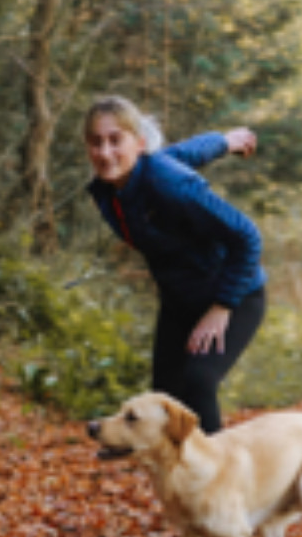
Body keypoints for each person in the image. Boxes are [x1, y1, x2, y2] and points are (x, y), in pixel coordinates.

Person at [83, 94, 265, 438]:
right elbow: (190, 151)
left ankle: (216, 482)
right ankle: (176, 487)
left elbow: (247, 236)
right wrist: (226, 141)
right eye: (96, 142)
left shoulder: (169, 184)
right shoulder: (111, 188)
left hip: (234, 294)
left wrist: (222, 306)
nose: (105, 153)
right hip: (180, 299)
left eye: (114, 140)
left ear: (138, 143)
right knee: (162, 397)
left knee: (198, 383)